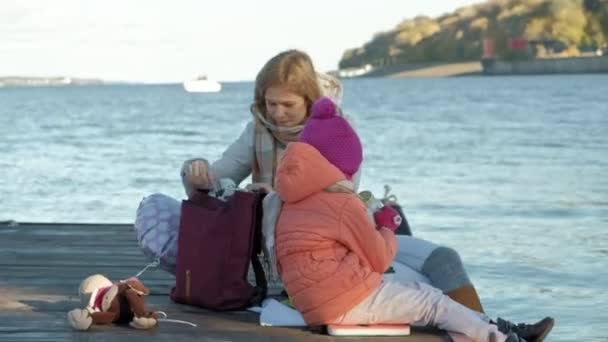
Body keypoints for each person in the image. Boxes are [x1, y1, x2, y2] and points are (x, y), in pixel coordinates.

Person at [134, 49, 552, 340]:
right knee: (418, 284)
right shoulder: (256, 132)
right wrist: (195, 171)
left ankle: (497, 326)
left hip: (342, 240)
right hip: (298, 257)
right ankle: (494, 333)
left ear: (309, 101)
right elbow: (217, 180)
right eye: (270, 103)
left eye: (287, 105)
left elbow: (341, 203)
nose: (277, 113)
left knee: (443, 258)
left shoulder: (332, 133)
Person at [274, 97, 554, 342]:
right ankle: (503, 338)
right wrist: (385, 225)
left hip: (313, 303)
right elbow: (381, 258)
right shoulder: (342, 204)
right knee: (432, 301)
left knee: (417, 292)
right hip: (342, 301)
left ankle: (497, 328)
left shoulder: (293, 198)